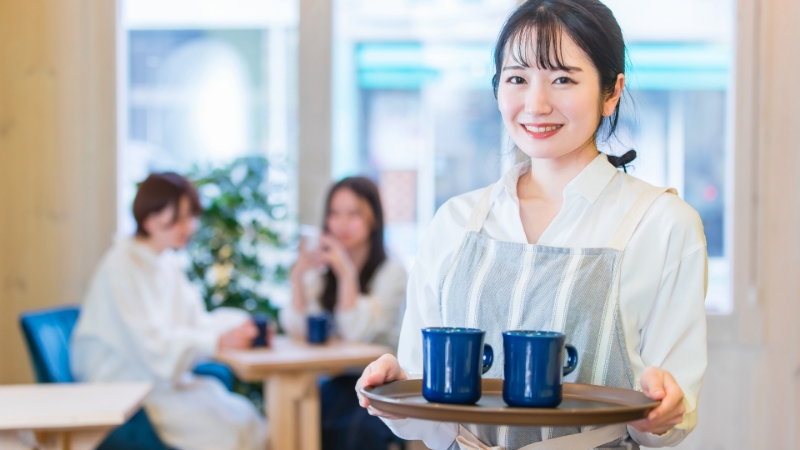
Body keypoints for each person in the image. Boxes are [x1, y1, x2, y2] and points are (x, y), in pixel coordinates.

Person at [356, 1, 708, 449]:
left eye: (562, 79)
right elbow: (431, 419)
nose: (536, 104)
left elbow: (669, 424)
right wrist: (393, 391)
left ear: (611, 91)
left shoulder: (663, 225)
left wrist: (664, 410)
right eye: (517, 79)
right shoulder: (455, 222)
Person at [71, 173, 267, 450]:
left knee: (247, 418)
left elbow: (196, 321)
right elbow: (150, 346)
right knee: (224, 435)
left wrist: (241, 326)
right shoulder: (120, 267)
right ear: (150, 219)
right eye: (179, 219)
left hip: (162, 383)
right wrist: (216, 341)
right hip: (129, 389)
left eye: (192, 217)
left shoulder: (167, 262)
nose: (189, 227)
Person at [280, 176, 407, 450]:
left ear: (374, 218)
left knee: (354, 431)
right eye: (335, 214)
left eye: (354, 214)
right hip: (337, 380)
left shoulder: (392, 272)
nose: (342, 224)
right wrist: (298, 277)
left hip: (380, 384)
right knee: (303, 420)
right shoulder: (322, 270)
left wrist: (347, 273)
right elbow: (299, 329)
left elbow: (356, 332)